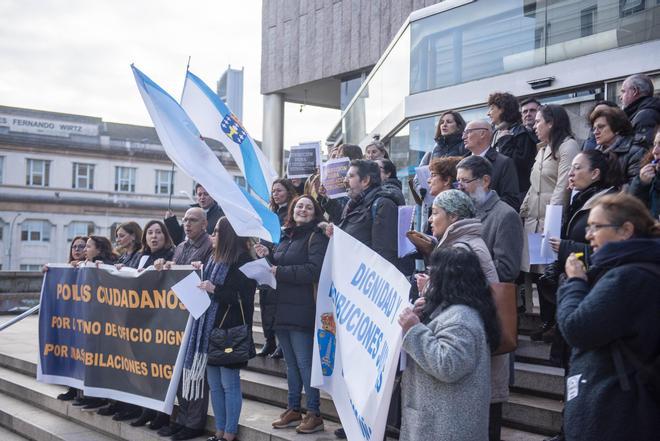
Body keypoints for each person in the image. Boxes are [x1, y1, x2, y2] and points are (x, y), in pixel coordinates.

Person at [556, 193, 660, 441]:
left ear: (625, 230)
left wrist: (574, 283)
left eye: (596, 227)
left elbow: (576, 328)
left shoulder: (627, 276)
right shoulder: (639, 268)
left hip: (617, 409)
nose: (588, 235)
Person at [398, 247, 500, 441]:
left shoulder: (461, 320)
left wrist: (414, 329)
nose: (428, 278)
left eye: (432, 272)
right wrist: (421, 317)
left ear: (447, 278)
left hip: (446, 428)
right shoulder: (454, 310)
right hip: (439, 423)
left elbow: (448, 365)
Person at [255, 195, 329, 434]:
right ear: (292, 211)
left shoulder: (316, 237)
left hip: (303, 309)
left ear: (314, 212)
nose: (303, 210)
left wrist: (281, 271)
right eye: (299, 206)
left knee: (305, 364)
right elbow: (276, 266)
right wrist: (265, 254)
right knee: (291, 365)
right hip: (282, 308)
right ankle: (293, 408)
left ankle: (314, 413)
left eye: (308, 207)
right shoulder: (286, 236)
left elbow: (314, 270)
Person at [520, 104, 579, 339]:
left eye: (538, 121)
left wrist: (552, 218)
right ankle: (546, 322)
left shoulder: (568, 146)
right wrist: (523, 209)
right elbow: (535, 185)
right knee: (538, 273)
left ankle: (557, 323)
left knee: (552, 272)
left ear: (551, 122)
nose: (534, 125)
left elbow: (563, 185)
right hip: (534, 219)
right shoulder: (542, 149)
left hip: (552, 221)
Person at [194, 217, 256, 441]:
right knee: (215, 385)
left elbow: (244, 297)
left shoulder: (243, 260)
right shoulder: (214, 259)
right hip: (211, 329)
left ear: (228, 235)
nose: (213, 235)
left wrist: (214, 289)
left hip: (230, 331)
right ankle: (219, 431)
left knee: (229, 385)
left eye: (217, 231)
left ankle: (229, 433)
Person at [156, 207, 213, 441]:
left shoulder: (210, 246)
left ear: (205, 224)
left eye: (193, 220)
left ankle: (194, 423)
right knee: (179, 371)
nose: (187, 224)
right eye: (185, 220)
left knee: (195, 373)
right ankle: (181, 419)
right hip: (177, 316)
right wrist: (165, 265)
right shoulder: (180, 247)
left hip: (198, 316)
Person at [456, 156, 524, 284]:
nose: (460, 187)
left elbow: (507, 269)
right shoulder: (463, 211)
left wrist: (463, 270)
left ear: (485, 181)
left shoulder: (506, 216)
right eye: (458, 182)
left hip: (487, 297)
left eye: (465, 181)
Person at [337, 159, 399, 266]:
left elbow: (384, 254)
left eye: (351, 176)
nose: (345, 181)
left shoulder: (383, 204)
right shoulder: (353, 204)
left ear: (365, 180)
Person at [53, 236, 88, 402]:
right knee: (72, 357)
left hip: (86, 321)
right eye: (74, 246)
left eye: (82, 246)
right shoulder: (67, 268)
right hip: (71, 322)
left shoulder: (93, 267)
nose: (77, 250)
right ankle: (72, 389)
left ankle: (84, 391)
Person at [488, 92, 537, 199]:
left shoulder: (522, 133)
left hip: (516, 195)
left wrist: (505, 142)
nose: (488, 113)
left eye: (492, 108)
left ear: (502, 109)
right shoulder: (496, 133)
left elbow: (518, 165)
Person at [462, 120, 520, 210]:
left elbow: (511, 200)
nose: (463, 137)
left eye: (468, 132)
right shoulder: (461, 163)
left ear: (482, 134)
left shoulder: (504, 163)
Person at [589, 106, 646, 186]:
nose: (595, 132)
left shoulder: (636, 152)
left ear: (617, 129)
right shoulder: (596, 152)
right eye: (594, 128)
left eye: (601, 127)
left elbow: (634, 188)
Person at [620, 73, 660, 147]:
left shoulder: (645, 116)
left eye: (623, 91)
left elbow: (643, 151)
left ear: (635, 91)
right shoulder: (641, 113)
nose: (620, 97)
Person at [629, 128, 660, 218]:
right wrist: (641, 184)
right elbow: (631, 213)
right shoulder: (649, 176)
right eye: (654, 144)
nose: (655, 151)